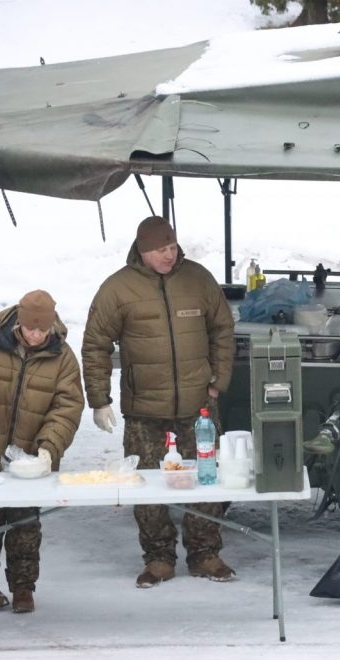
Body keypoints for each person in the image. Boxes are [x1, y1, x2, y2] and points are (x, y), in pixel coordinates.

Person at [82, 216, 235, 588]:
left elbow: (222, 328)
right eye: (160, 250)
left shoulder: (198, 279)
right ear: (143, 251)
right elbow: (95, 345)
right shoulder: (117, 289)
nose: (170, 255)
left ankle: (205, 554)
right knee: (146, 484)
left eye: (172, 247)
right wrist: (99, 399)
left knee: (207, 480)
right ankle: (158, 558)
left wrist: (219, 380)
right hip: (144, 410)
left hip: (198, 405)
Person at [0, 290, 84, 613]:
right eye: (29, 328)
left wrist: (49, 448)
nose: (35, 335)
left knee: (25, 526)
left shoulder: (63, 358)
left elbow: (67, 408)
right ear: (18, 322)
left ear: (52, 325)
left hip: (30, 462)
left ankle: (23, 587)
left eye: (42, 329)